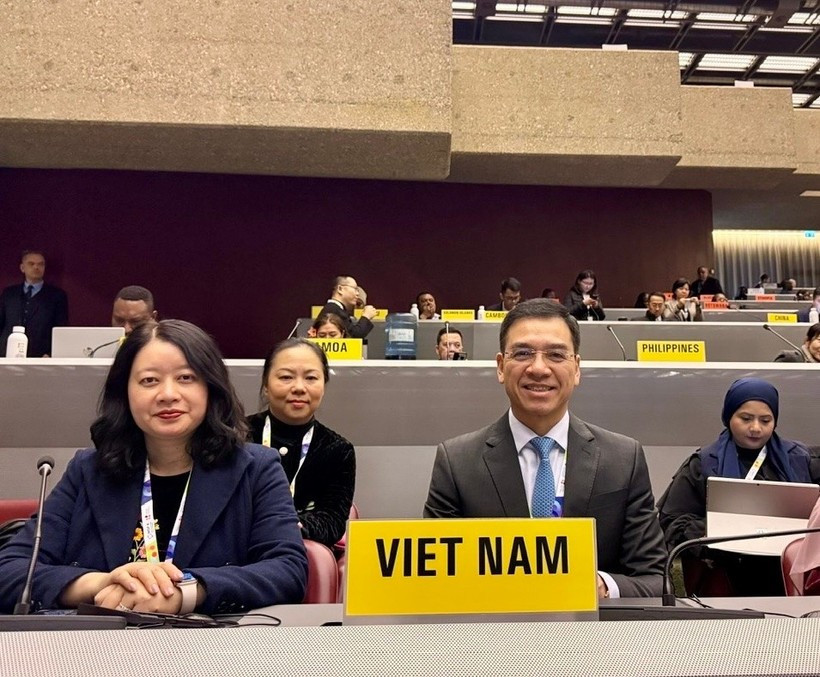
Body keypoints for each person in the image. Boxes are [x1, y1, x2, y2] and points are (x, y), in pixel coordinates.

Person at [0, 319, 307, 615]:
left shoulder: (256, 469)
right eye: (149, 380)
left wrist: (186, 591)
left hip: (211, 651)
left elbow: (287, 569)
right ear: (125, 393)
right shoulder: (89, 470)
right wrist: (99, 584)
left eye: (186, 377)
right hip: (97, 650)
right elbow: (11, 570)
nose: (168, 394)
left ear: (211, 388)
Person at [424, 299, 666, 598]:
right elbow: (435, 580)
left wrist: (603, 586)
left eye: (556, 354)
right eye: (523, 353)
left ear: (576, 369)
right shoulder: (457, 462)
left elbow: (656, 580)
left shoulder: (622, 458)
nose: (538, 368)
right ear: (501, 367)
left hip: (595, 638)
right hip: (493, 636)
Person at [657, 377, 814, 596]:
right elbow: (672, 520)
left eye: (766, 420)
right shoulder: (704, 462)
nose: (755, 428)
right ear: (728, 416)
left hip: (790, 573)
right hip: (725, 573)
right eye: (746, 418)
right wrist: (717, 531)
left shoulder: (799, 458)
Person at [247, 338, 355, 548]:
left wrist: (287, 526)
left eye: (311, 378)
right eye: (286, 377)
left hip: (299, 553)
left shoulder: (338, 450)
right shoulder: (234, 437)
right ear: (266, 385)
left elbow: (332, 522)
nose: (299, 387)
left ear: (324, 386)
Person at [0, 250, 68, 357]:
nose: (36, 267)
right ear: (22, 268)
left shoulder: (56, 295)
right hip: (6, 353)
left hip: (40, 355)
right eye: (31, 264)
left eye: (40, 264)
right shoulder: (9, 294)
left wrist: (51, 353)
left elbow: (61, 328)